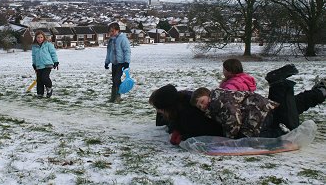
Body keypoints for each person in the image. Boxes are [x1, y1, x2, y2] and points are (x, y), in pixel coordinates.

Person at [150, 64, 325, 144]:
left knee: (288, 120)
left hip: (252, 121)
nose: (160, 113)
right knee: (288, 106)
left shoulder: (188, 114)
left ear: (168, 106)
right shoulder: (186, 98)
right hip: (252, 109)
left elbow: (208, 132)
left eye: (160, 109)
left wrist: (183, 135)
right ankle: (320, 92)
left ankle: (279, 85)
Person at [104, 22, 131, 103]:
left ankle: (118, 97)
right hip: (114, 63)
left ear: (117, 30)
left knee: (116, 79)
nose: (111, 33)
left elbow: (127, 51)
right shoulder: (111, 41)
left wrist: (127, 62)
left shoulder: (123, 39)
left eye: (113, 31)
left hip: (121, 63)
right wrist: (107, 62)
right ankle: (113, 97)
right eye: (110, 31)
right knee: (114, 80)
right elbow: (109, 52)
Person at [31, 30, 59, 98]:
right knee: (39, 80)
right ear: (36, 38)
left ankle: (49, 88)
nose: (40, 39)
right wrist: (34, 64)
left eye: (41, 37)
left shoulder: (48, 44)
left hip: (47, 64)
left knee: (44, 78)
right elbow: (34, 56)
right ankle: (40, 94)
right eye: (38, 37)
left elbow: (53, 54)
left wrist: (55, 62)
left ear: (44, 37)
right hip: (39, 65)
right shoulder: (34, 46)